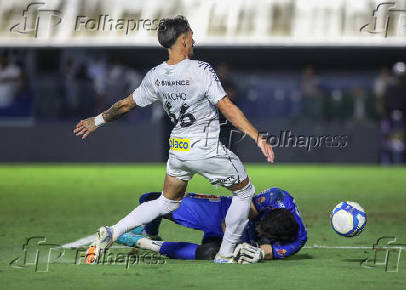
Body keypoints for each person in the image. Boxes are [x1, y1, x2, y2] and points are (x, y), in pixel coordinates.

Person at [73, 15, 274, 264]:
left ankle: (113, 232)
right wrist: (257, 137)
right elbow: (228, 108)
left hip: (178, 147)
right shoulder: (201, 70)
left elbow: (125, 105)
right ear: (182, 39)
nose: (194, 38)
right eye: (190, 34)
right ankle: (225, 254)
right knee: (244, 192)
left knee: (167, 203)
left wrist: (97, 121)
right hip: (204, 147)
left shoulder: (156, 75)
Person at [116, 187, 307, 263]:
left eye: (263, 232)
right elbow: (234, 217)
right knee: (153, 200)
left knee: (208, 253)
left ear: (279, 239)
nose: (259, 229)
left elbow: (268, 251)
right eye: (261, 225)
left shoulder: (297, 241)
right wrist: (234, 239)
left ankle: (145, 243)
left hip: (248, 239)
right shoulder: (276, 197)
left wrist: (258, 253)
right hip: (227, 211)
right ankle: (150, 234)